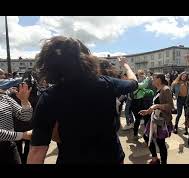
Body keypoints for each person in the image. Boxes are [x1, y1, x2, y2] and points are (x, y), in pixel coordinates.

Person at [27, 36, 138, 164]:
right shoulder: (107, 84)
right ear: (87, 59)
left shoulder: (49, 97)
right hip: (111, 157)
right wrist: (125, 65)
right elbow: (133, 83)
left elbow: (37, 150)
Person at [139, 73, 174, 164]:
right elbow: (156, 106)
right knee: (147, 136)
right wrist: (147, 111)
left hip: (162, 121)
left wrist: (156, 105)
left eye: (153, 78)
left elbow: (170, 106)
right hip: (155, 118)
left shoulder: (166, 89)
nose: (151, 80)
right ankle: (155, 158)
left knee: (160, 142)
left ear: (159, 79)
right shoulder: (158, 89)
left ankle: (163, 161)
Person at [0, 83, 33, 164]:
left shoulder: (4, 98)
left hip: (9, 146)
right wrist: (23, 135)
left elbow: (25, 117)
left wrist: (24, 101)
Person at [131, 70, 153, 140]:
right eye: (140, 75)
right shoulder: (135, 83)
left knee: (141, 119)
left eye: (142, 74)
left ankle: (139, 135)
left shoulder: (136, 83)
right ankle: (137, 135)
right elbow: (144, 85)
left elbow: (145, 90)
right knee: (138, 119)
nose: (141, 76)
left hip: (140, 103)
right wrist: (147, 78)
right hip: (137, 104)